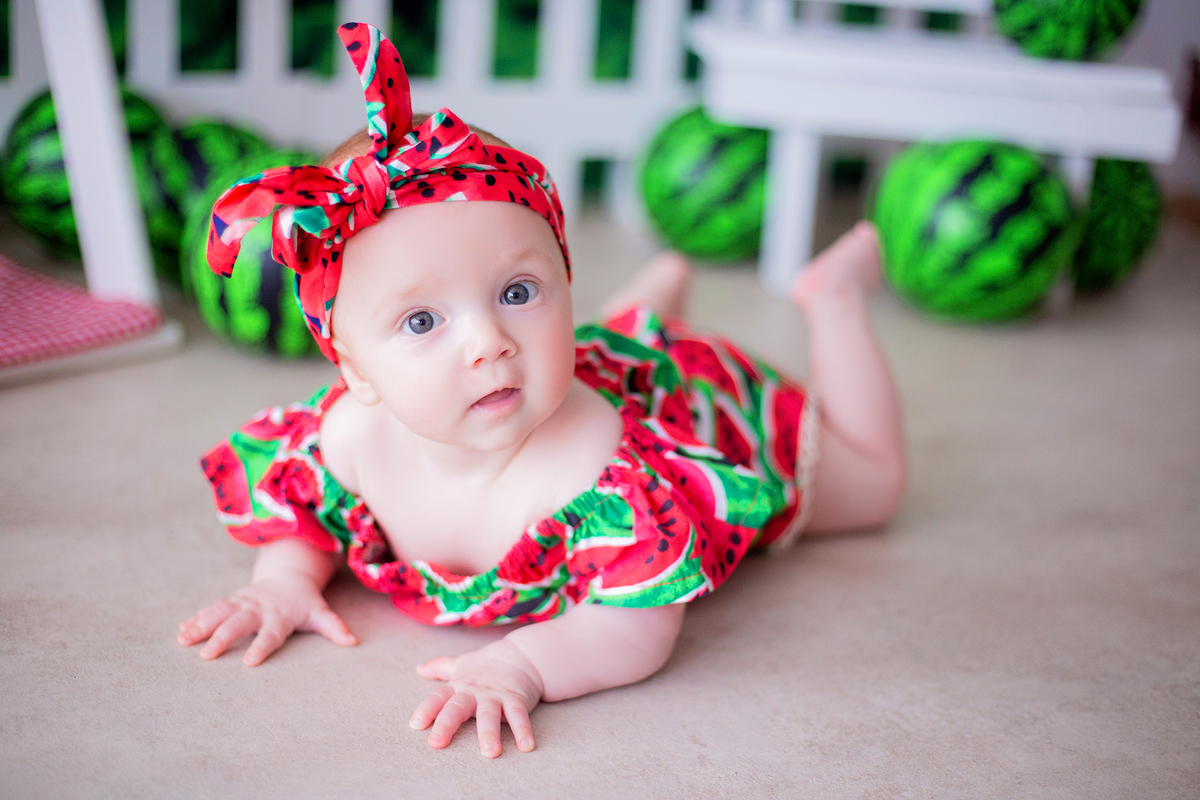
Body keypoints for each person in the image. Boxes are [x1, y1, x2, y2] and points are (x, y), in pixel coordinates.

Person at [179, 23, 905, 758]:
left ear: (563, 277)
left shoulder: (594, 472)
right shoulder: (344, 442)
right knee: (563, 350)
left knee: (874, 488)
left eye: (520, 290)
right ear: (356, 372)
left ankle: (833, 297)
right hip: (586, 356)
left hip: (704, 400)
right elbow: (302, 510)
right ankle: (642, 303)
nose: (487, 340)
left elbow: (637, 625)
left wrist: (524, 662)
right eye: (422, 319)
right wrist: (284, 580)